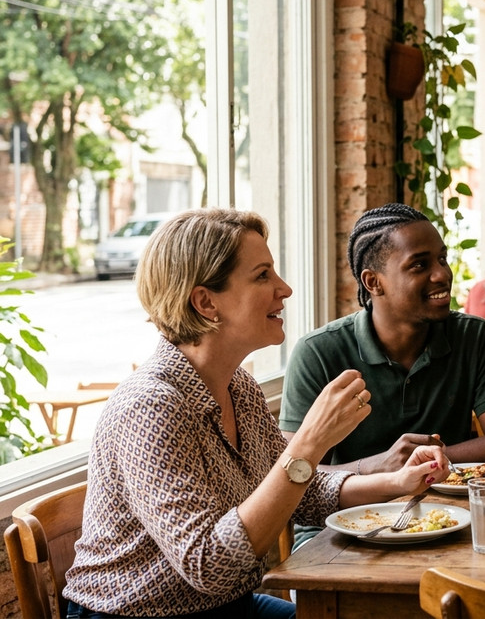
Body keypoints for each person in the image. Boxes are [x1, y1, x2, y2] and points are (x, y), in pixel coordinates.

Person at [63, 208, 450, 619]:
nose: (284, 289)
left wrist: (395, 481)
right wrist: (308, 442)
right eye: (262, 275)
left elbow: (302, 491)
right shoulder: (150, 406)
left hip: (228, 606)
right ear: (205, 301)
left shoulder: (237, 386)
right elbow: (209, 565)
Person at [281, 204, 485, 480]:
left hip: (446, 514)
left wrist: (419, 462)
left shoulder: (473, 336)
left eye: (442, 259)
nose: (442, 274)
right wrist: (378, 467)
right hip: (343, 519)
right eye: (419, 264)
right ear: (373, 282)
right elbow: (293, 473)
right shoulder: (318, 353)